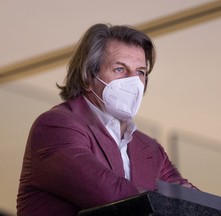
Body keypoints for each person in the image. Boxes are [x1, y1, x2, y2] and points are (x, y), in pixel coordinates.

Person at [17, 23, 196, 216]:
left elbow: (195, 204)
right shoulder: (56, 126)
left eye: (140, 72)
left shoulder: (151, 149)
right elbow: (112, 196)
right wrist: (170, 204)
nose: (133, 81)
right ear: (87, 76)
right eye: (120, 69)